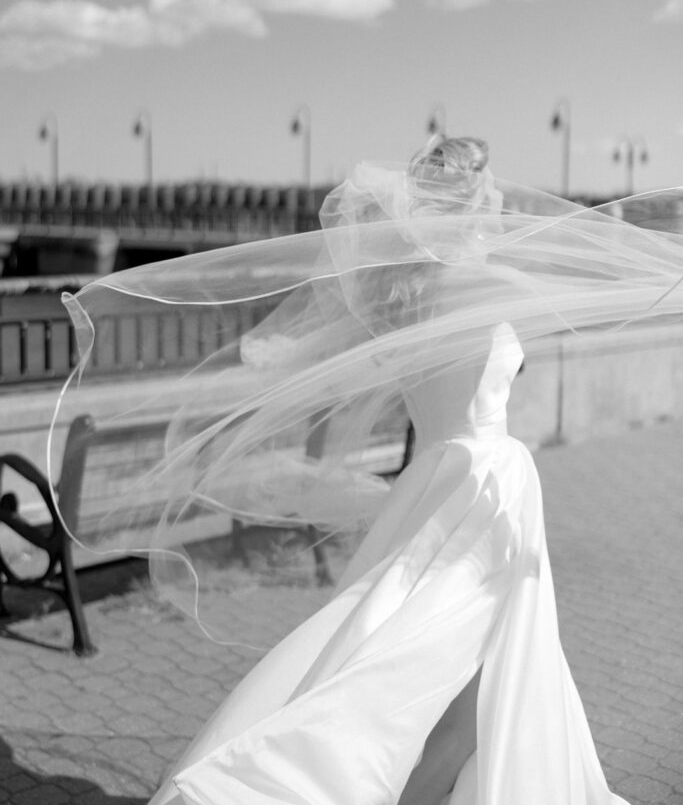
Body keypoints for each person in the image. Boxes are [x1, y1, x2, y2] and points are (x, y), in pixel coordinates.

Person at [50, 136, 683, 805]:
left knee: (458, 669)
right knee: (446, 669)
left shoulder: (403, 290)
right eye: (489, 189)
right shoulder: (475, 280)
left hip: (445, 480)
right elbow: (610, 286)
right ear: (465, 202)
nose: (503, 201)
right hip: (478, 489)